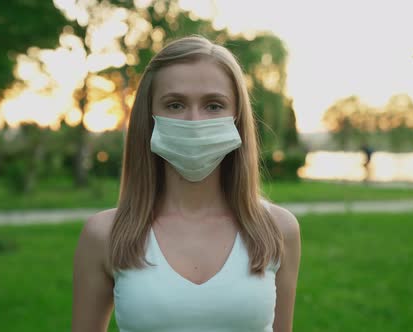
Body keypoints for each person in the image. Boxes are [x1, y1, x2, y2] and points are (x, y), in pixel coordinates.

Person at [72, 35, 301, 332]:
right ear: (149, 117)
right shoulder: (105, 235)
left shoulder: (278, 230)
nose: (194, 121)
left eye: (214, 106)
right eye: (176, 104)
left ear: (237, 118)